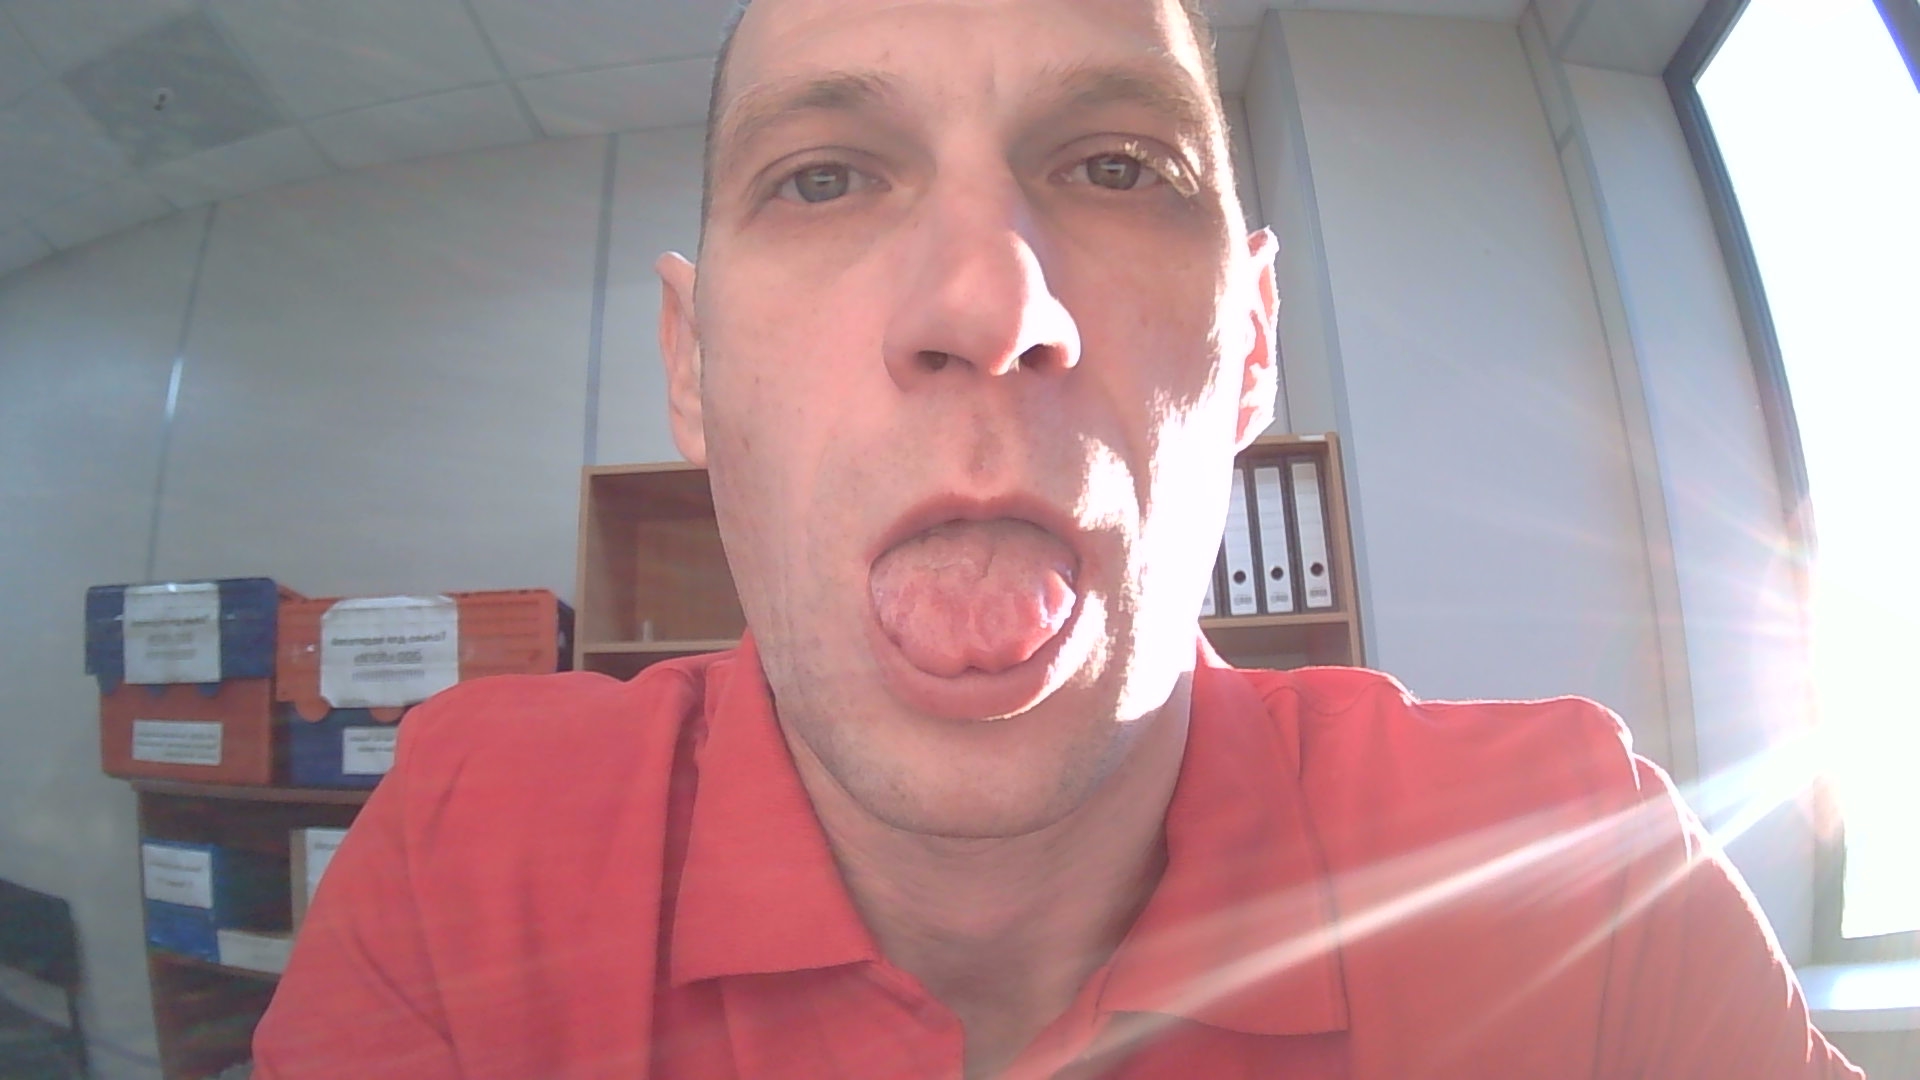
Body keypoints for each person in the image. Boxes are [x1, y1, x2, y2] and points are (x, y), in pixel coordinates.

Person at [252, 0, 1863, 1076]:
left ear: (1251, 345)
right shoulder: (467, 851)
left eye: (1114, 166)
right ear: (692, 366)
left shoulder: (1572, 878)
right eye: (824, 178)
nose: (987, 303)